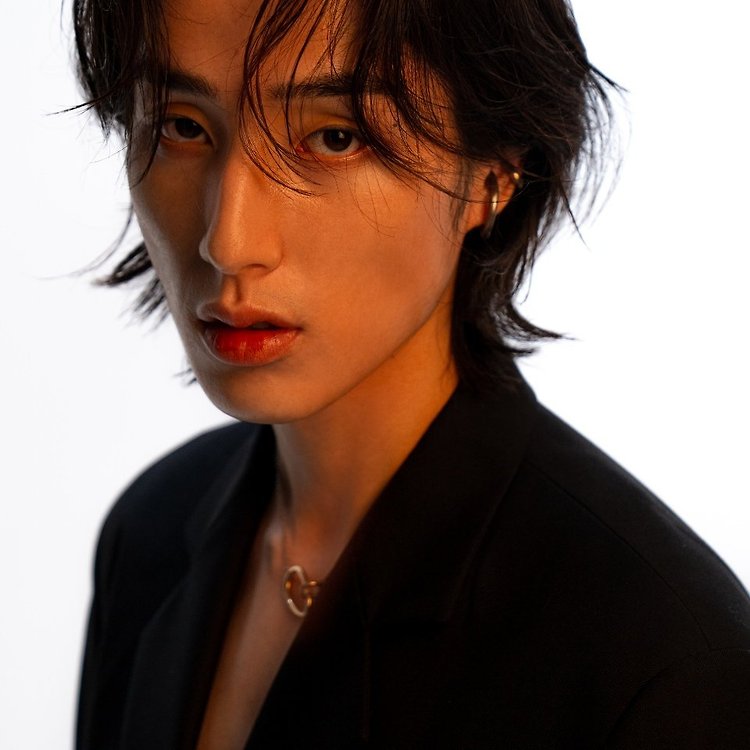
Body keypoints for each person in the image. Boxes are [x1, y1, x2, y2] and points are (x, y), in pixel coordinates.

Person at [73, 0, 750, 747]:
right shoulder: (151, 532)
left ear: (494, 174)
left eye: (334, 137)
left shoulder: (659, 661)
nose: (228, 241)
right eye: (181, 126)